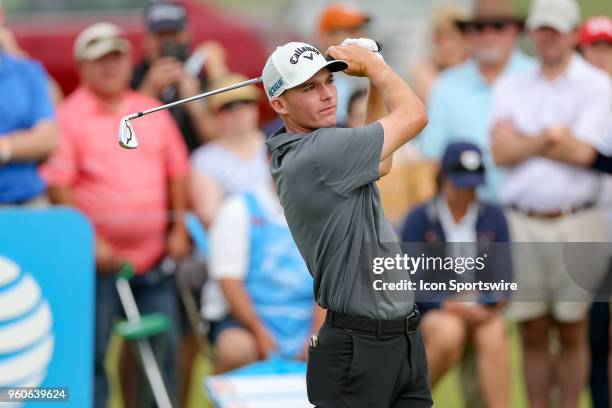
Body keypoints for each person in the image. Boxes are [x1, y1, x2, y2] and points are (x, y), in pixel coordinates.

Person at [263, 39, 430, 407]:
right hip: (359, 351)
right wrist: (374, 67)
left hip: (398, 341)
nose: (326, 95)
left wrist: (373, 79)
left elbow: (382, 162)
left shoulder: (320, 149)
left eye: (328, 82)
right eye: (308, 88)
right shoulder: (321, 154)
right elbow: (415, 115)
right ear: (279, 104)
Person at [39, 23, 190, 407]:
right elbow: (59, 185)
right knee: (91, 355)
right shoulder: (68, 117)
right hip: (97, 264)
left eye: (116, 57)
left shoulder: (150, 110)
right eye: (98, 60)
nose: (109, 67)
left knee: (162, 351)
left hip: (155, 259)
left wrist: (177, 228)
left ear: (128, 61)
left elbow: (176, 171)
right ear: (81, 66)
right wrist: (91, 240)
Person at [490, 0, 612, 406]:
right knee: (532, 329)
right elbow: (501, 153)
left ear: (572, 34)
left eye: (556, 30)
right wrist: (550, 137)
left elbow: (584, 154)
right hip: (521, 221)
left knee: (573, 326)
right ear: (532, 33)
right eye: (542, 29)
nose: (547, 37)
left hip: (578, 218)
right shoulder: (511, 84)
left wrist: (524, 141)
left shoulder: (597, 85)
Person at [402, 142, 511, 408]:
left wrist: (487, 301)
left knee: (494, 329)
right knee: (449, 329)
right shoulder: (419, 219)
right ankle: (407, 402)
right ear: (444, 179)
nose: (467, 192)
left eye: (472, 185)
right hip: (434, 312)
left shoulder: (494, 216)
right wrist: (449, 303)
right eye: (461, 184)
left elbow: (505, 278)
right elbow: (410, 285)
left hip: (480, 310)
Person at [203, 168, 325, 373]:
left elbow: (332, 281)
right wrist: (259, 333)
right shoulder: (238, 208)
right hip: (247, 323)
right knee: (236, 350)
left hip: (313, 322)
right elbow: (228, 281)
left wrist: (316, 336)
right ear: (272, 159)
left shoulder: (327, 212)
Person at [418, 0, 531, 203]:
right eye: (479, 27)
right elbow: (432, 160)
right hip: (469, 211)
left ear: (515, 31)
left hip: (529, 211)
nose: (488, 34)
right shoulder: (446, 85)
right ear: (469, 34)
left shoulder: (536, 76)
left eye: (498, 26)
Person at [132, 0, 229, 152]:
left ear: (187, 34)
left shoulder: (201, 71)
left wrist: (217, 74)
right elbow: (123, 134)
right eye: (161, 35)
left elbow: (225, 139)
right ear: (147, 40)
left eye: (174, 34)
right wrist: (149, 91)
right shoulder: (134, 77)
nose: (168, 42)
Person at [190, 73, 269, 228]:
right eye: (228, 106)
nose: (239, 110)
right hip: (233, 240)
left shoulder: (278, 144)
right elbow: (210, 218)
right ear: (214, 114)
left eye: (246, 102)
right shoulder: (204, 159)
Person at [0, 0, 57, 207]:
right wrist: (22, 144)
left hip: (28, 202)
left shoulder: (28, 72)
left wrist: (4, 148)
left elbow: (48, 140)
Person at [316, 2, 370, 125]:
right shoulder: (312, 77)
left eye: (359, 29)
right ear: (326, 35)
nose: (358, 36)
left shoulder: (367, 69)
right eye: (349, 30)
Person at [409, 4, 470, 104]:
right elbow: (440, 102)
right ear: (435, 40)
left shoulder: (476, 69)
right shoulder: (423, 70)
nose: (449, 46)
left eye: (456, 38)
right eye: (444, 38)